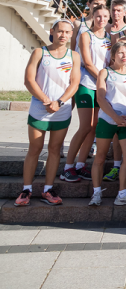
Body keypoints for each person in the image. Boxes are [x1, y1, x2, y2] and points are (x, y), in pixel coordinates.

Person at [14, 20, 79, 207]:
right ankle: (26, 189)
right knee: (34, 149)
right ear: (53, 31)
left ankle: (47, 189)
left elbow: (74, 83)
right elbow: (29, 80)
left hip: (61, 110)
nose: (63, 35)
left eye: (67, 32)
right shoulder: (39, 52)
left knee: (55, 150)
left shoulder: (73, 55)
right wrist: (45, 100)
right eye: (60, 31)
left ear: (71, 34)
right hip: (39, 109)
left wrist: (59, 102)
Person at [89, 41, 126, 207]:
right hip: (107, 119)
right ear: (113, 56)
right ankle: (96, 193)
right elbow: (100, 98)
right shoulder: (105, 72)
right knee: (100, 157)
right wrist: (115, 117)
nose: (124, 55)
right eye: (120, 53)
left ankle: (123, 194)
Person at [61, 5, 110, 182]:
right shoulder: (85, 35)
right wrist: (105, 79)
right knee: (85, 126)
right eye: (98, 16)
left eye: (105, 16)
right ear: (93, 17)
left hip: (101, 86)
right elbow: (88, 64)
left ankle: (81, 165)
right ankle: (67, 167)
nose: (101, 19)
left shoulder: (110, 38)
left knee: (94, 127)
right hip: (86, 83)